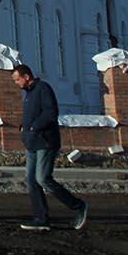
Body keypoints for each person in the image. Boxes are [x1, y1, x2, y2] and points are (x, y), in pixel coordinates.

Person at [13, 63, 89, 231]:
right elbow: (32, 114)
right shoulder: (29, 94)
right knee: (31, 181)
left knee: (43, 179)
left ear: (26, 77)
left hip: (45, 142)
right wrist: (23, 127)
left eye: (17, 79)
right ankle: (41, 218)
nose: (17, 84)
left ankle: (78, 206)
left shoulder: (42, 89)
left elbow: (51, 112)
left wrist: (33, 127)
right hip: (32, 144)